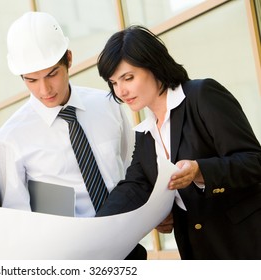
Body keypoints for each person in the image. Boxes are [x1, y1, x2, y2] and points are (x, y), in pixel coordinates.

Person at [95, 25, 261, 259]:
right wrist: (93, 230)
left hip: (244, 245)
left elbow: (254, 162)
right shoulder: (145, 134)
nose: (121, 91)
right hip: (198, 252)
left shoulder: (201, 95)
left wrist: (200, 170)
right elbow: (134, 187)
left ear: (153, 65)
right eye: (113, 83)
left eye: (128, 78)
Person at [0, 11, 146, 259]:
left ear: (69, 59)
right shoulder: (11, 137)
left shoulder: (108, 104)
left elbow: (132, 168)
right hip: (67, 258)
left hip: (126, 247)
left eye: (52, 74)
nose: (44, 90)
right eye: (31, 80)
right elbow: (17, 214)